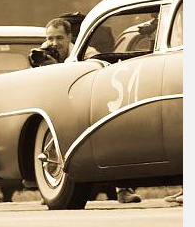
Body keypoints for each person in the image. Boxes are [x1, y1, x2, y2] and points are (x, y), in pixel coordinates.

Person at [30, 16, 140, 205]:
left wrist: (56, 67)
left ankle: (123, 189)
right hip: (59, 111)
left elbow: (83, 80)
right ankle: (54, 190)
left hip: (89, 107)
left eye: (59, 38)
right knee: (49, 145)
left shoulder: (86, 52)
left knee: (111, 142)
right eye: (50, 38)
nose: (54, 43)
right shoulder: (43, 52)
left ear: (69, 37)